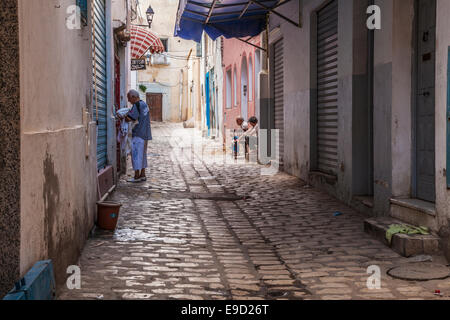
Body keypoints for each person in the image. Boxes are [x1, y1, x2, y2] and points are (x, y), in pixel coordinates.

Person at [125, 89, 152, 183]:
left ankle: (136, 176)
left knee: (136, 155)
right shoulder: (144, 104)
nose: (128, 100)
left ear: (133, 97)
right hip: (145, 134)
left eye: (129, 98)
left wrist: (123, 116)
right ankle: (143, 175)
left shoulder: (136, 105)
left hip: (138, 134)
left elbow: (130, 118)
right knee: (143, 155)